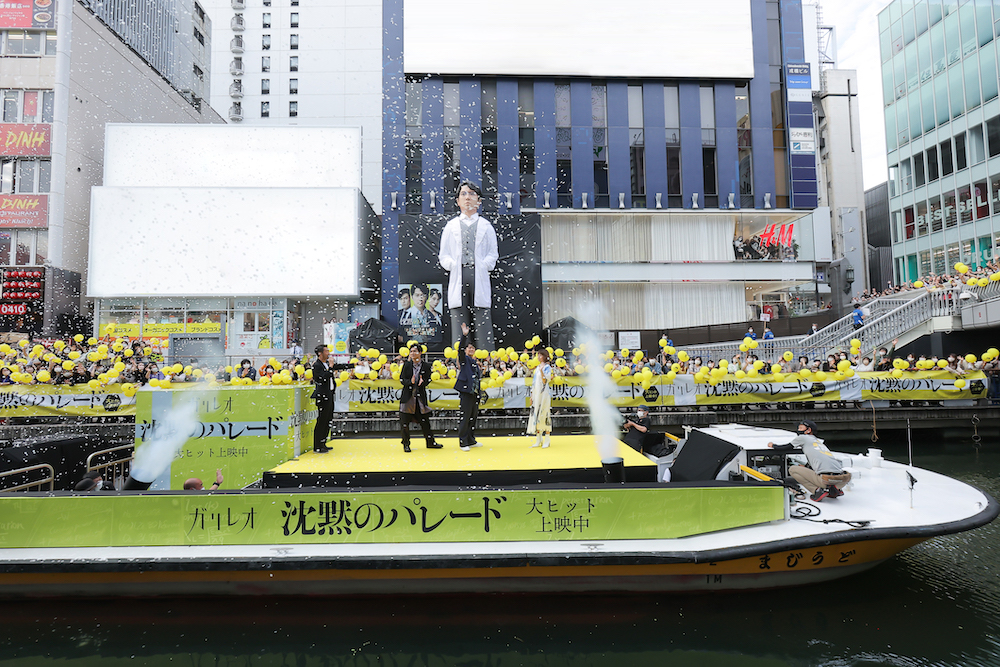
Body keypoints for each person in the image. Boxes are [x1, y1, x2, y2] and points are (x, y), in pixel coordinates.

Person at [438, 181, 499, 350]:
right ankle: (459, 358)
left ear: (479, 201)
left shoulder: (486, 226)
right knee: (459, 314)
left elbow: (493, 253)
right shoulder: (451, 226)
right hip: (459, 273)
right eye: (463, 194)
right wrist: (453, 264)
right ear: (457, 201)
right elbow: (444, 255)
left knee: (482, 314)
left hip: (478, 274)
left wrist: (484, 265)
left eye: (472, 194)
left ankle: (486, 357)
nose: (467, 198)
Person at [767, 420, 851, 502]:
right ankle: (834, 490)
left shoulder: (802, 437)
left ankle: (816, 491)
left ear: (808, 430)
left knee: (792, 469)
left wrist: (773, 445)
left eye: (800, 427)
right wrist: (806, 467)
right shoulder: (818, 441)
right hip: (842, 480)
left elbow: (785, 448)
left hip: (825, 479)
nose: (798, 430)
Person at [399, 345, 441, 452]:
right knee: (404, 423)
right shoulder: (407, 365)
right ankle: (406, 444)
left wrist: (423, 383)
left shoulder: (426, 366)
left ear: (420, 353)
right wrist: (410, 382)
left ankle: (430, 442)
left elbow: (428, 379)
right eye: (411, 351)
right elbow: (402, 379)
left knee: (425, 421)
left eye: (415, 351)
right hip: (408, 398)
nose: (412, 353)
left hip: (420, 398)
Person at [455, 322, 482, 452]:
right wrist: (464, 336)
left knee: (473, 416)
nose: (471, 350)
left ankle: (471, 440)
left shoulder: (475, 362)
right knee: (465, 417)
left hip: (474, 393)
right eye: (469, 348)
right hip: (466, 392)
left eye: (473, 348)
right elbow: (460, 349)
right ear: (465, 350)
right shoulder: (464, 359)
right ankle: (463, 441)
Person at [311, 344, 335, 454]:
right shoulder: (317, 365)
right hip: (322, 395)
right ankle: (317, 445)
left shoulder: (325, 364)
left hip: (329, 394)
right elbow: (323, 377)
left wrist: (354, 364)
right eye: (326, 351)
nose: (328, 353)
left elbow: (337, 367)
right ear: (320, 353)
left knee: (328, 419)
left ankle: (323, 442)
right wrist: (330, 367)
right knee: (321, 420)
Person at [527, 348, 553, 448]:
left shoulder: (547, 367)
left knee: (545, 414)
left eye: (540, 355)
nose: (538, 357)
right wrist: (532, 395)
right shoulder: (537, 367)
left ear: (545, 356)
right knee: (536, 414)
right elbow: (534, 383)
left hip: (544, 394)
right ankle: (538, 438)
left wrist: (542, 372)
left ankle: (547, 438)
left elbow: (546, 380)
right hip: (537, 394)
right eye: (538, 355)